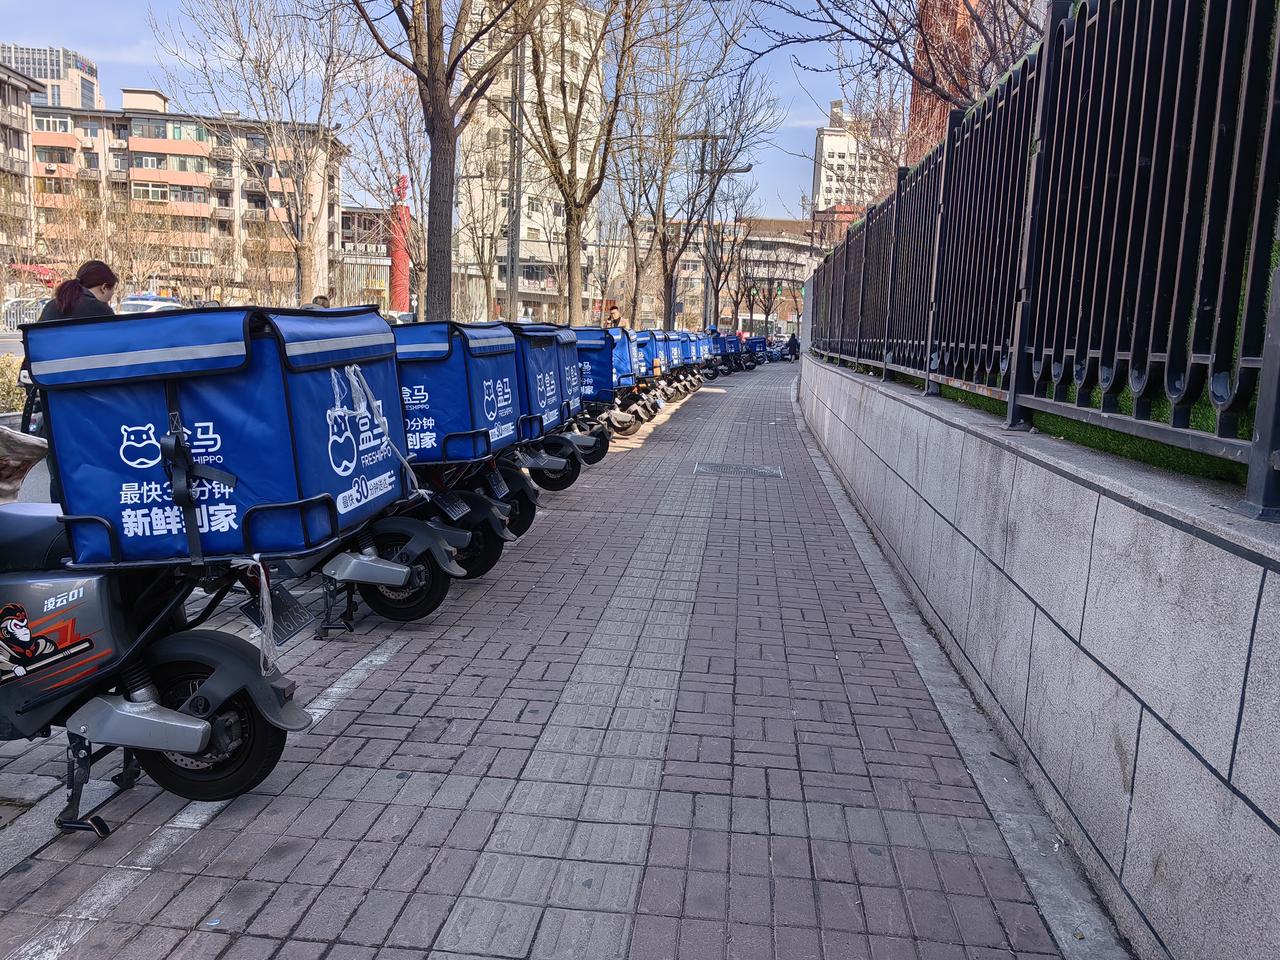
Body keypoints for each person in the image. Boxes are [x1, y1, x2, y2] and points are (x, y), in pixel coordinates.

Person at [38, 261, 117, 322]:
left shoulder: (51, 306)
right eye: (109, 298)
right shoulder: (102, 311)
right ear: (104, 288)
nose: (107, 303)